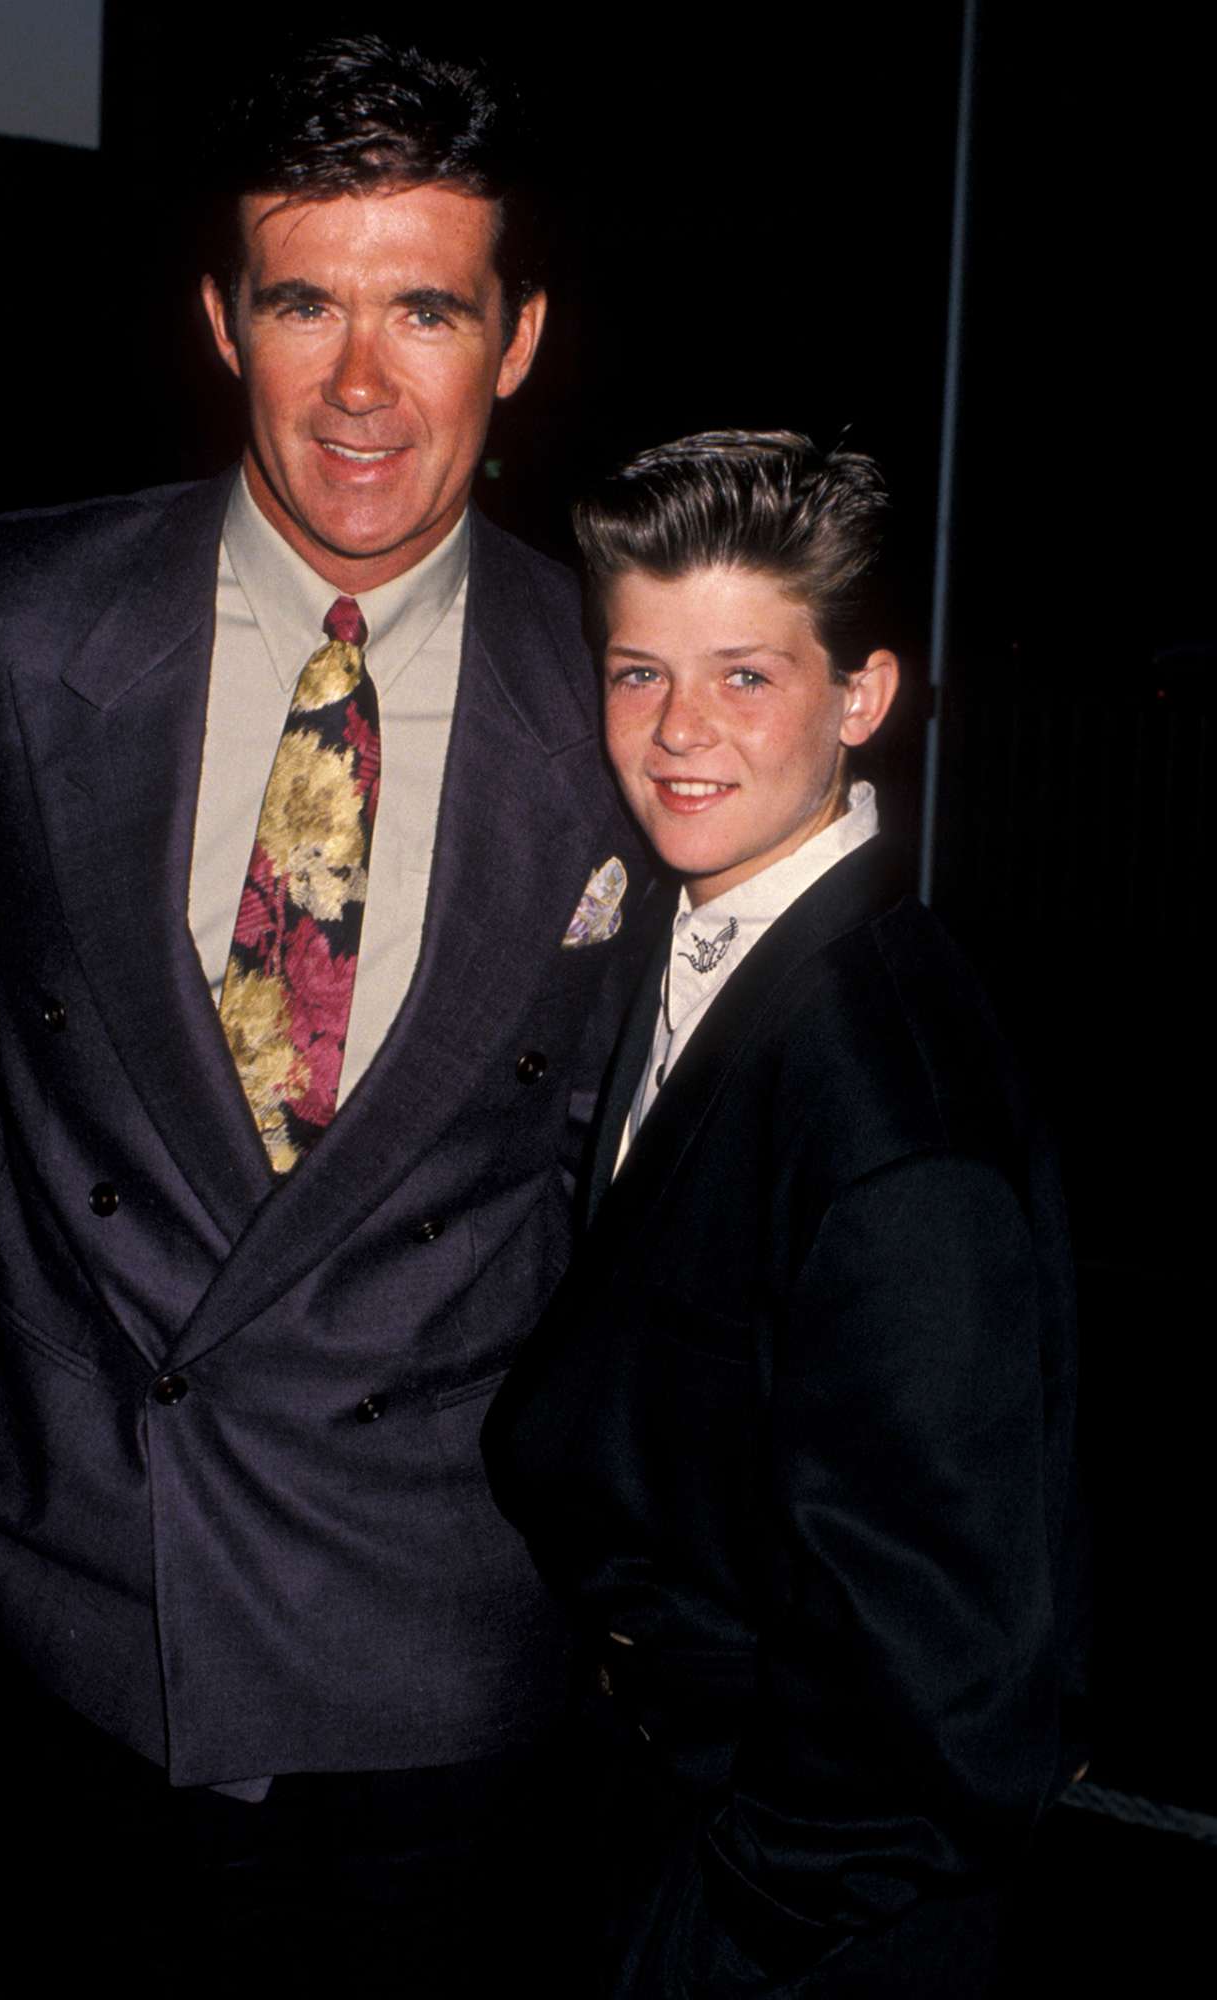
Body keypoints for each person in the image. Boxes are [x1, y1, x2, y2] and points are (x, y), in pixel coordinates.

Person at [0, 37, 650, 1993]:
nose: (362, 383)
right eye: (305, 302)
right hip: (68, 1579)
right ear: (221, 319)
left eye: (427, 306)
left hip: (450, 1612)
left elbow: (684, 1148)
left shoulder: (639, 697)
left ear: (516, 339)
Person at [484, 431, 1079, 1997]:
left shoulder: (891, 1101)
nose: (677, 734)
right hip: (656, 1815)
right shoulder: (699, 951)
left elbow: (941, 1680)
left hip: (789, 1921)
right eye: (637, 674)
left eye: (745, 677)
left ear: (864, 696)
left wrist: (721, 1933)